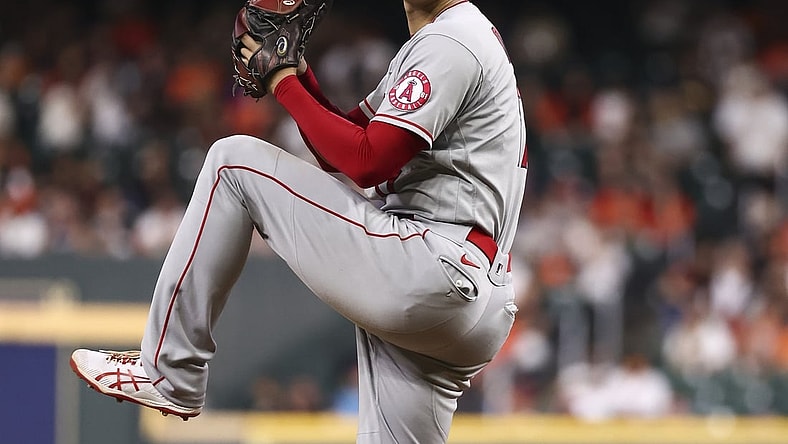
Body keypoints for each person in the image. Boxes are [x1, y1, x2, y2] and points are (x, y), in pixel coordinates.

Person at [70, 0, 528, 442]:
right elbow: (346, 144)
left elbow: (368, 162)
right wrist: (298, 73)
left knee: (233, 163)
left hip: (433, 268)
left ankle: (171, 373)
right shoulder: (450, 39)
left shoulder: (452, 40)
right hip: (469, 295)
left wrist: (283, 81)